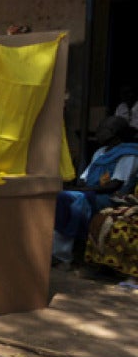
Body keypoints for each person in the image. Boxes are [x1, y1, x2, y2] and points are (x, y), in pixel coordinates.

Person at [52, 115, 138, 269]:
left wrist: (80, 190)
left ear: (113, 132)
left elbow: (114, 185)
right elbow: (84, 178)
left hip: (111, 197)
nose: (97, 133)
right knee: (64, 198)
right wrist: (79, 189)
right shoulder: (100, 151)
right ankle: (58, 251)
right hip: (91, 192)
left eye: (101, 129)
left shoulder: (129, 154)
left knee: (74, 200)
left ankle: (63, 255)